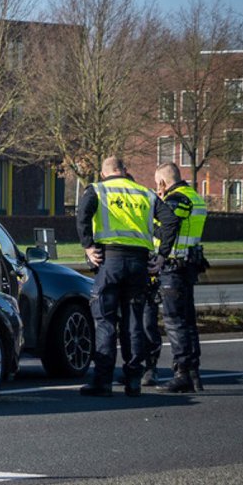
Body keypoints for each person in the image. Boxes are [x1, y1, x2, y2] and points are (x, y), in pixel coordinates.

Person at [76, 156, 155, 397]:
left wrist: (88, 246)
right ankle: (133, 380)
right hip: (139, 264)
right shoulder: (146, 193)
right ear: (125, 170)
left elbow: (82, 216)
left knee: (105, 321)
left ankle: (103, 381)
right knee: (133, 321)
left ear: (103, 173)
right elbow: (170, 220)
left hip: (110, 261)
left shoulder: (97, 189)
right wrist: (161, 254)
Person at [152, 162, 208, 394]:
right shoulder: (195, 197)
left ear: (163, 182)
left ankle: (182, 373)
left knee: (174, 321)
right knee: (188, 321)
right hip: (189, 265)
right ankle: (194, 373)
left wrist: (151, 228)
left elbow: (167, 228)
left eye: (158, 184)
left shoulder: (175, 200)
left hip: (173, 267)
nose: (157, 188)